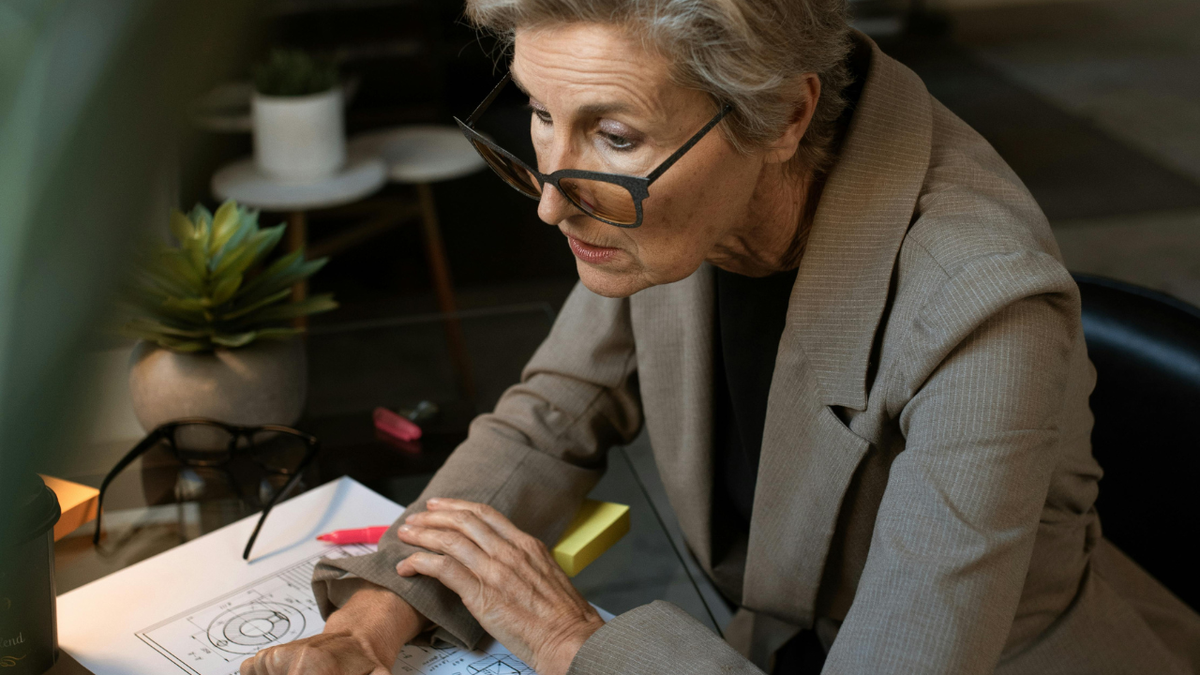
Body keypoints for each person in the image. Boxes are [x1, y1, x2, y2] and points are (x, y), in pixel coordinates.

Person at [240, 1, 1200, 673]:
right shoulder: (680, 189)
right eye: (539, 112)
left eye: (613, 135)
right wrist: (371, 621)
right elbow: (548, 421)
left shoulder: (985, 312)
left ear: (784, 115)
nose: (548, 202)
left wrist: (574, 639)